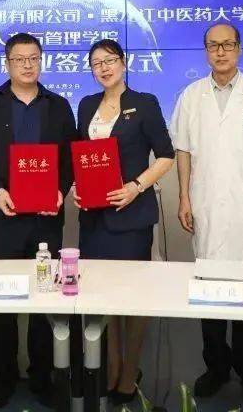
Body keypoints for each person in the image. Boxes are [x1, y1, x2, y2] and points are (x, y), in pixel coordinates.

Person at [171, 22, 243, 401]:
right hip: (205, 203)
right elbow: (183, 152)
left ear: (239, 49)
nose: (220, 52)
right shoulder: (191, 95)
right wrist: (184, 197)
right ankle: (216, 367)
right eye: (213, 45)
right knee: (208, 289)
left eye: (227, 45)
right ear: (206, 51)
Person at [0, 32, 77, 408]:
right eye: (19, 59)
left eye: (33, 59)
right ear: (7, 63)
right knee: (4, 298)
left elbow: (70, 157)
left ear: (41, 61)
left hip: (46, 218)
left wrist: (61, 190)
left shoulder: (58, 105)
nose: (27, 65)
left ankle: (42, 377)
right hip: (4, 216)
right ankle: (4, 378)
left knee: (45, 298)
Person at [72, 40, 175, 405]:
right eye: (96, 63)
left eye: (110, 60)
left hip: (131, 218)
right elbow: (83, 158)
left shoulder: (145, 103)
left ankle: (130, 373)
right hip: (94, 219)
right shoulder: (86, 105)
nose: (104, 67)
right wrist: (78, 189)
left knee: (132, 298)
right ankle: (112, 369)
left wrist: (136, 187)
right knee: (102, 298)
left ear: (124, 62)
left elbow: (166, 156)